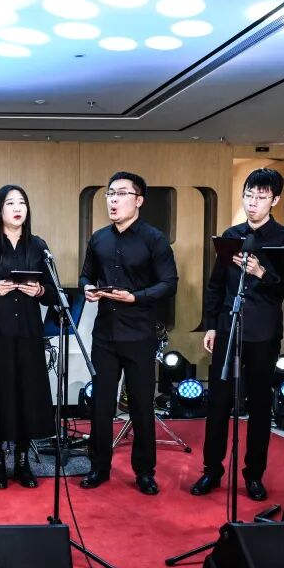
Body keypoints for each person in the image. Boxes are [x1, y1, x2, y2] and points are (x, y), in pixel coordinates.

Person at [191, 168, 284, 501]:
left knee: (259, 404)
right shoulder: (231, 235)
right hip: (228, 327)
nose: (253, 202)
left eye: (261, 197)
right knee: (218, 403)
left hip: (263, 332)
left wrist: (261, 272)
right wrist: (211, 324)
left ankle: (254, 475)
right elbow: (216, 284)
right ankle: (211, 470)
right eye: (249, 195)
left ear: (275, 200)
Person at [78, 171, 178, 494]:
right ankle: (98, 467)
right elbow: (85, 276)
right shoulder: (99, 239)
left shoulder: (154, 239)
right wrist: (88, 288)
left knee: (141, 406)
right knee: (101, 404)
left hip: (139, 334)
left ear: (139, 200)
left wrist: (136, 297)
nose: (113, 200)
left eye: (121, 193)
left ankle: (145, 472)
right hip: (105, 334)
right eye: (110, 193)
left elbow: (169, 283)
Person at [0, 185, 55, 489]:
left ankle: (22, 461)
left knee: (25, 394)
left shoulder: (38, 246)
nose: (17, 208)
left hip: (28, 334)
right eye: (10, 203)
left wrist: (39, 290)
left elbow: (53, 293)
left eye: (22, 203)